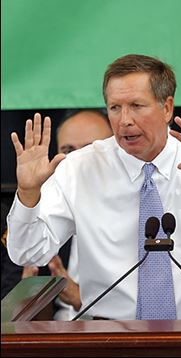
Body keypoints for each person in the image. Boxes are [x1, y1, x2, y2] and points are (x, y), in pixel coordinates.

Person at [7, 54, 181, 320]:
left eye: (137, 106)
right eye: (115, 107)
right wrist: (29, 194)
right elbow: (28, 252)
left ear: (167, 108)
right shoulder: (78, 169)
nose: (125, 120)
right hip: (110, 337)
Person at [21, 109, 113, 319]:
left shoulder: (144, 207)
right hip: (51, 341)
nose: (77, 160)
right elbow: (10, 299)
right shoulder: (38, 210)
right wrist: (27, 295)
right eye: (68, 151)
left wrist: (82, 299)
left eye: (90, 149)